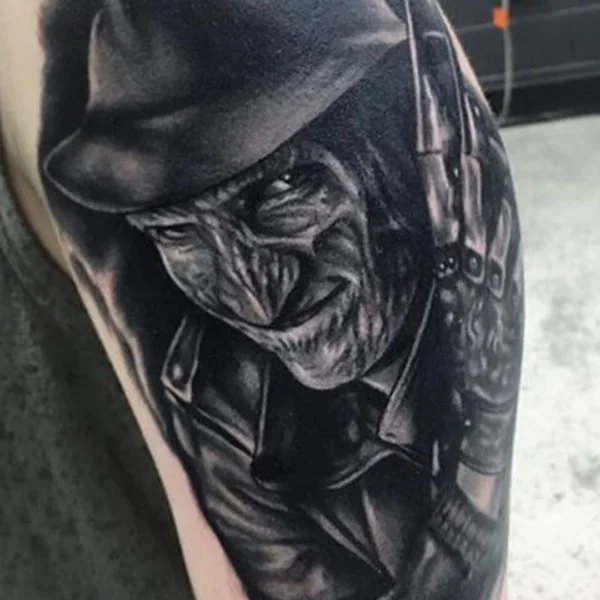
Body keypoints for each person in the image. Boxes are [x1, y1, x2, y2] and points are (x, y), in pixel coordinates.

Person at [0, 0, 523, 599]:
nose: (258, 302)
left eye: (283, 189)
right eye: (178, 231)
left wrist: (479, 456)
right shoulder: (220, 395)